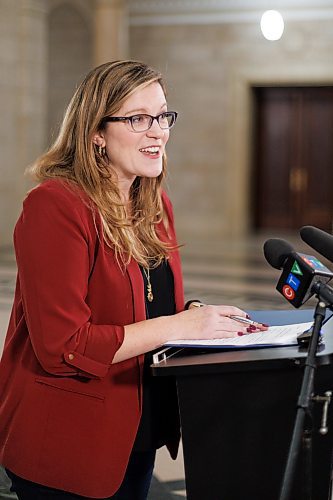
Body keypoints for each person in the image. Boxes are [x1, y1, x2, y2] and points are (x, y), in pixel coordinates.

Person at [0, 60, 268, 500]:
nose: (158, 131)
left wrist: (196, 316)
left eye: (163, 116)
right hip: (69, 441)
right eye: (138, 118)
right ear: (96, 134)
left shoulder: (155, 206)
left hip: (139, 431)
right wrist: (178, 327)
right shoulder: (55, 206)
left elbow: (150, 309)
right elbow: (62, 346)